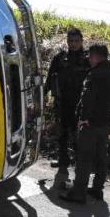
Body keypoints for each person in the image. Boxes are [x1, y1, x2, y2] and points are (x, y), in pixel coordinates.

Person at [61, 44, 110, 204]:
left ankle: (78, 193)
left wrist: (84, 118)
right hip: (106, 123)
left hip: (90, 124)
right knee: (100, 156)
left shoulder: (94, 75)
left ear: (98, 57)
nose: (89, 60)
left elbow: (87, 99)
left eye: (91, 56)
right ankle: (97, 190)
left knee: (85, 158)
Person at [45, 28, 90, 170]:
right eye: (71, 41)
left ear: (82, 41)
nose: (73, 44)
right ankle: (63, 160)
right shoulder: (60, 58)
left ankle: (81, 165)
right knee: (62, 134)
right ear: (67, 41)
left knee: (79, 137)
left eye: (77, 41)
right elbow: (50, 78)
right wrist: (43, 95)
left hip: (80, 105)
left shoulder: (88, 60)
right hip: (62, 102)